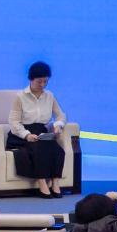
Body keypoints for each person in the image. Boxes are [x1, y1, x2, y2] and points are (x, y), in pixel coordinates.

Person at [7, 61, 68, 199]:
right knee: (38, 148)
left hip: (41, 132)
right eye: (39, 81)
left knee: (58, 150)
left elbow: (60, 115)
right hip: (22, 133)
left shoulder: (49, 96)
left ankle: (55, 182)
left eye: (45, 81)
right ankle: (42, 183)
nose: (42, 85)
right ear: (31, 79)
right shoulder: (20, 96)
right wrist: (27, 135)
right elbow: (14, 122)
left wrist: (58, 125)